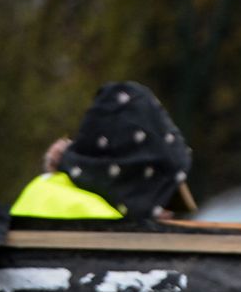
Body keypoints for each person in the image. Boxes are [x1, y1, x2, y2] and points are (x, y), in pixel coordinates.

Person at [11, 82, 196, 220]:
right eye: (162, 198)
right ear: (136, 179)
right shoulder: (109, 228)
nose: (168, 215)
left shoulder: (39, 188)